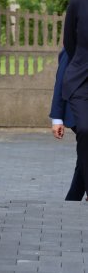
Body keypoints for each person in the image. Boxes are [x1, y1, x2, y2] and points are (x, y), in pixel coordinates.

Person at [62, 0, 88, 199]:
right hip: (81, 80)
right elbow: (69, 43)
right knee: (85, 130)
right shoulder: (79, 1)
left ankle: (75, 195)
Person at [50, 48, 84, 201]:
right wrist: (57, 119)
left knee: (84, 154)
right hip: (78, 110)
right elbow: (60, 83)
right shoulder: (72, 50)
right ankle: (73, 197)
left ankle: (73, 197)